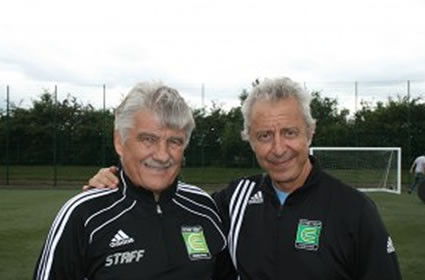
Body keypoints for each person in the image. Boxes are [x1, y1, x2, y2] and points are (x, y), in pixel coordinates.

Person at [88, 77, 402, 279]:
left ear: (310, 131)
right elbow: (171, 213)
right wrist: (114, 182)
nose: (278, 148)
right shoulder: (232, 201)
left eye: (289, 132)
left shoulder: (354, 210)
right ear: (249, 139)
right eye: (264, 135)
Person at [33, 82, 229, 280]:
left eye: (174, 141)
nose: (162, 155)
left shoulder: (203, 206)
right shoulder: (83, 215)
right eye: (148, 139)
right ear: (119, 142)